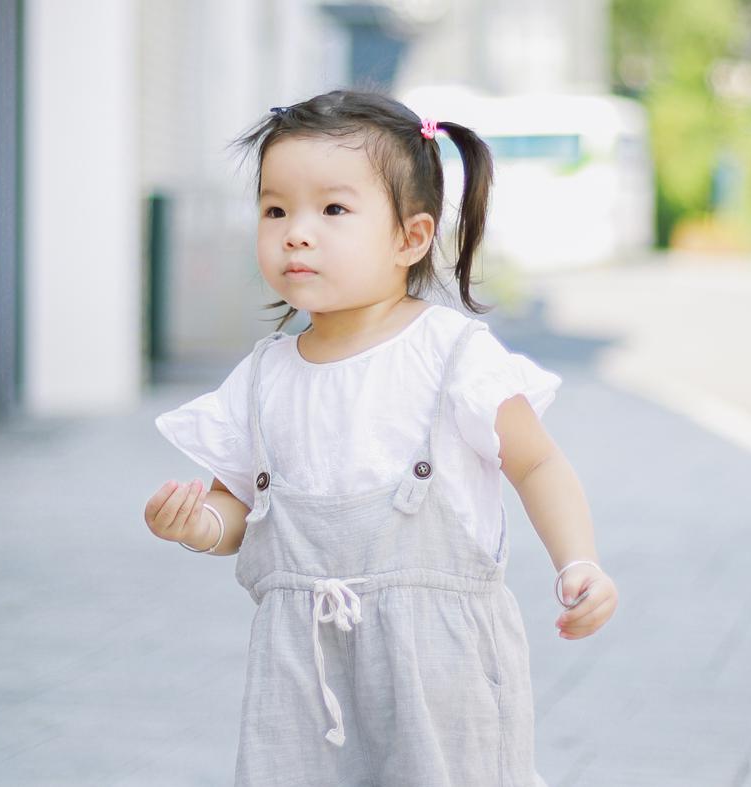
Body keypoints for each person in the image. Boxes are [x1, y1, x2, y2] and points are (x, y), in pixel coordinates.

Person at [144, 88, 618, 786]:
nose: (296, 232)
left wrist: (579, 561)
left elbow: (537, 463)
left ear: (411, 238)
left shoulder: (452, 355)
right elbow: (235, 509)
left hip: (441, 667)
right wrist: (198, 524)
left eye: (333, 210)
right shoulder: (264, 376)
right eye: (275, 210)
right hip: (301, 675)